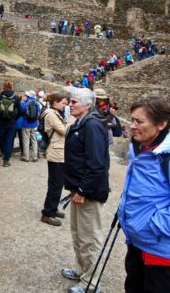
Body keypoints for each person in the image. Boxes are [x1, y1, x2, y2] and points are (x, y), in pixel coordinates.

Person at [118, 96, 170, 293]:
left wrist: (154, 224)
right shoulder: (139, 147)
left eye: (139, 121)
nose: (132, 126)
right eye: (131, 119)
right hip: (137, 240)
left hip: (160, 247)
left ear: (161, 124)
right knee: (133, 286)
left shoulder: (166, 155)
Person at [61, 88, 109, 293]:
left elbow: (97, 164)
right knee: (79, 233)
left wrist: (82, 189)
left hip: (87, 192)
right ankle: (82, 270)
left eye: (74, 102)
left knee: (90, 237)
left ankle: (91, 282)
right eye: (70, 102)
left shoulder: (92, 126)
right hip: (78, 189)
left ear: (88, 105)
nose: (70, 105)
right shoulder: (81, 123)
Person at [40, 92, 69, 226]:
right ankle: (48, 213)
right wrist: (73, 120)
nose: (65, 106)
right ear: (56, 102)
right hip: (56, 153)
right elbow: (64, 131)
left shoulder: (54, 113)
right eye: (63, 103)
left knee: (57, 183)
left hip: (58, 152)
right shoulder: (51, 114)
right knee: (55, 184)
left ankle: (52, 208)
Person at [0, 81, 22, 167]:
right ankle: (6, 161)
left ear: (4, 86)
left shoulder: (0, 96)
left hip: (1, 122)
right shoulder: (16, 98)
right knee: (8, 142)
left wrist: (1, 94)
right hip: (11, 123)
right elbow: (20, 111)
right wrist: (14, 118)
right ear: (12, 87)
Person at [21, 90, 41, 162]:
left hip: (26, 124)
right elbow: (38, 113)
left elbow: (22, 111)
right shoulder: (37, 104)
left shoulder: (25, 103)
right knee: (34, 140)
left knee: (26, 140)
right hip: (34, 124)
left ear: (28, 96)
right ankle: (35, 157)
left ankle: (26, 157)